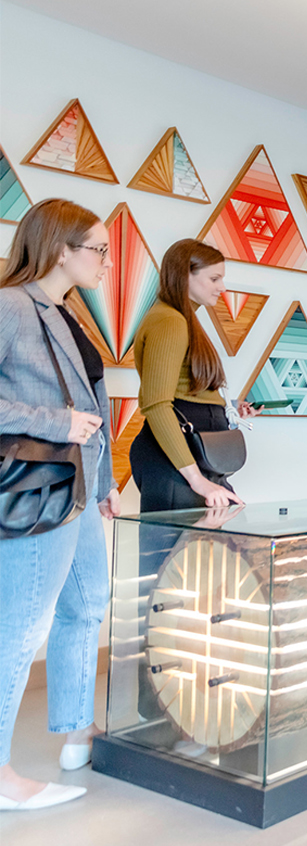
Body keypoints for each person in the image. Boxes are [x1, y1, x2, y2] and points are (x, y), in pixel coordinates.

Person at [0, 199, 122, 810]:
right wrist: (55, 421)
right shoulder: (12, 307)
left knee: (86, 608)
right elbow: (67, 416)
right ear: (61, 249)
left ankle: (77, 733)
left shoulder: (67, 314)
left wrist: (104, 487)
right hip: (36, 493)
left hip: (77, 493)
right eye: (98, 249)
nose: (106, 260)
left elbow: (93, 412)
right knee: (20, 630)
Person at [130, 240, 254, 512]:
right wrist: (197, 480)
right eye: (214, 278)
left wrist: (229, 409)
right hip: (178, 462)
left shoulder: (182, 319)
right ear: (184, 275)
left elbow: (183, 391)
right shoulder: (170, 320)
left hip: (192, 457)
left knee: (202, 549)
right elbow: (157, 404)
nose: (222, 287)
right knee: (174, 551)